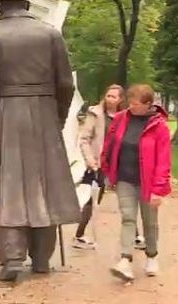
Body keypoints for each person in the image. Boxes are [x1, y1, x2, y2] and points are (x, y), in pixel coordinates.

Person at [0, 0, 81, 282]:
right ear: (29, 5)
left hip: (5, 113)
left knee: (8, 183)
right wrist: (58, 116)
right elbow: (66, 84)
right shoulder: (51, 33)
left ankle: (12, 257)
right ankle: (42, 258)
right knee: (44, 185)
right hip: (44, 114)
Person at [101, 84, 172, 281]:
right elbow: (110, 144)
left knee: (150, 221)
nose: (131, 107)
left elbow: (164, 160)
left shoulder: (159, 126)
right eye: (129, 103)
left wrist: (159, 189)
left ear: (148, 104)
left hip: (148, 182)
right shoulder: (121, 118)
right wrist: (107, 169)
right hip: (125, 178)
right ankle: (125, 260)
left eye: (135, 104)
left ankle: (152, 255)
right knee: (128, 218)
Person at [73, 84, 124, 249]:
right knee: (91, 199)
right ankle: (79, 235)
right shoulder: (95, 114)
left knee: (127, 196)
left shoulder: (124, 116)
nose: (110, 99)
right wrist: (90, 160)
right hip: (97, 164)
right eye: (108, 95)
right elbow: (84, 139)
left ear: (120, 99)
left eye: (114, 97)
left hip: (117, 163)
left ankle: (136, 235)